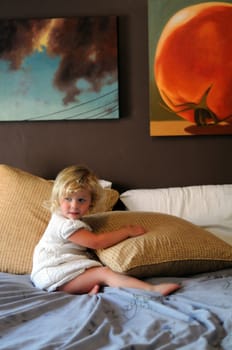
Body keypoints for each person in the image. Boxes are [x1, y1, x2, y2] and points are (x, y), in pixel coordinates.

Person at [31, 165, 180, 296]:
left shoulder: (65, 219)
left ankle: (82, 292)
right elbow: (96, 242)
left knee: (96, 273)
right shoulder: (66, 226)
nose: (74, 206)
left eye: (81, 200)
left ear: (91, 203)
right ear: (58, 199)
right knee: (104, 273)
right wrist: (126, 231)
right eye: (68, 199)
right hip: (53, 276)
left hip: (53, 274)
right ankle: (151, 290)